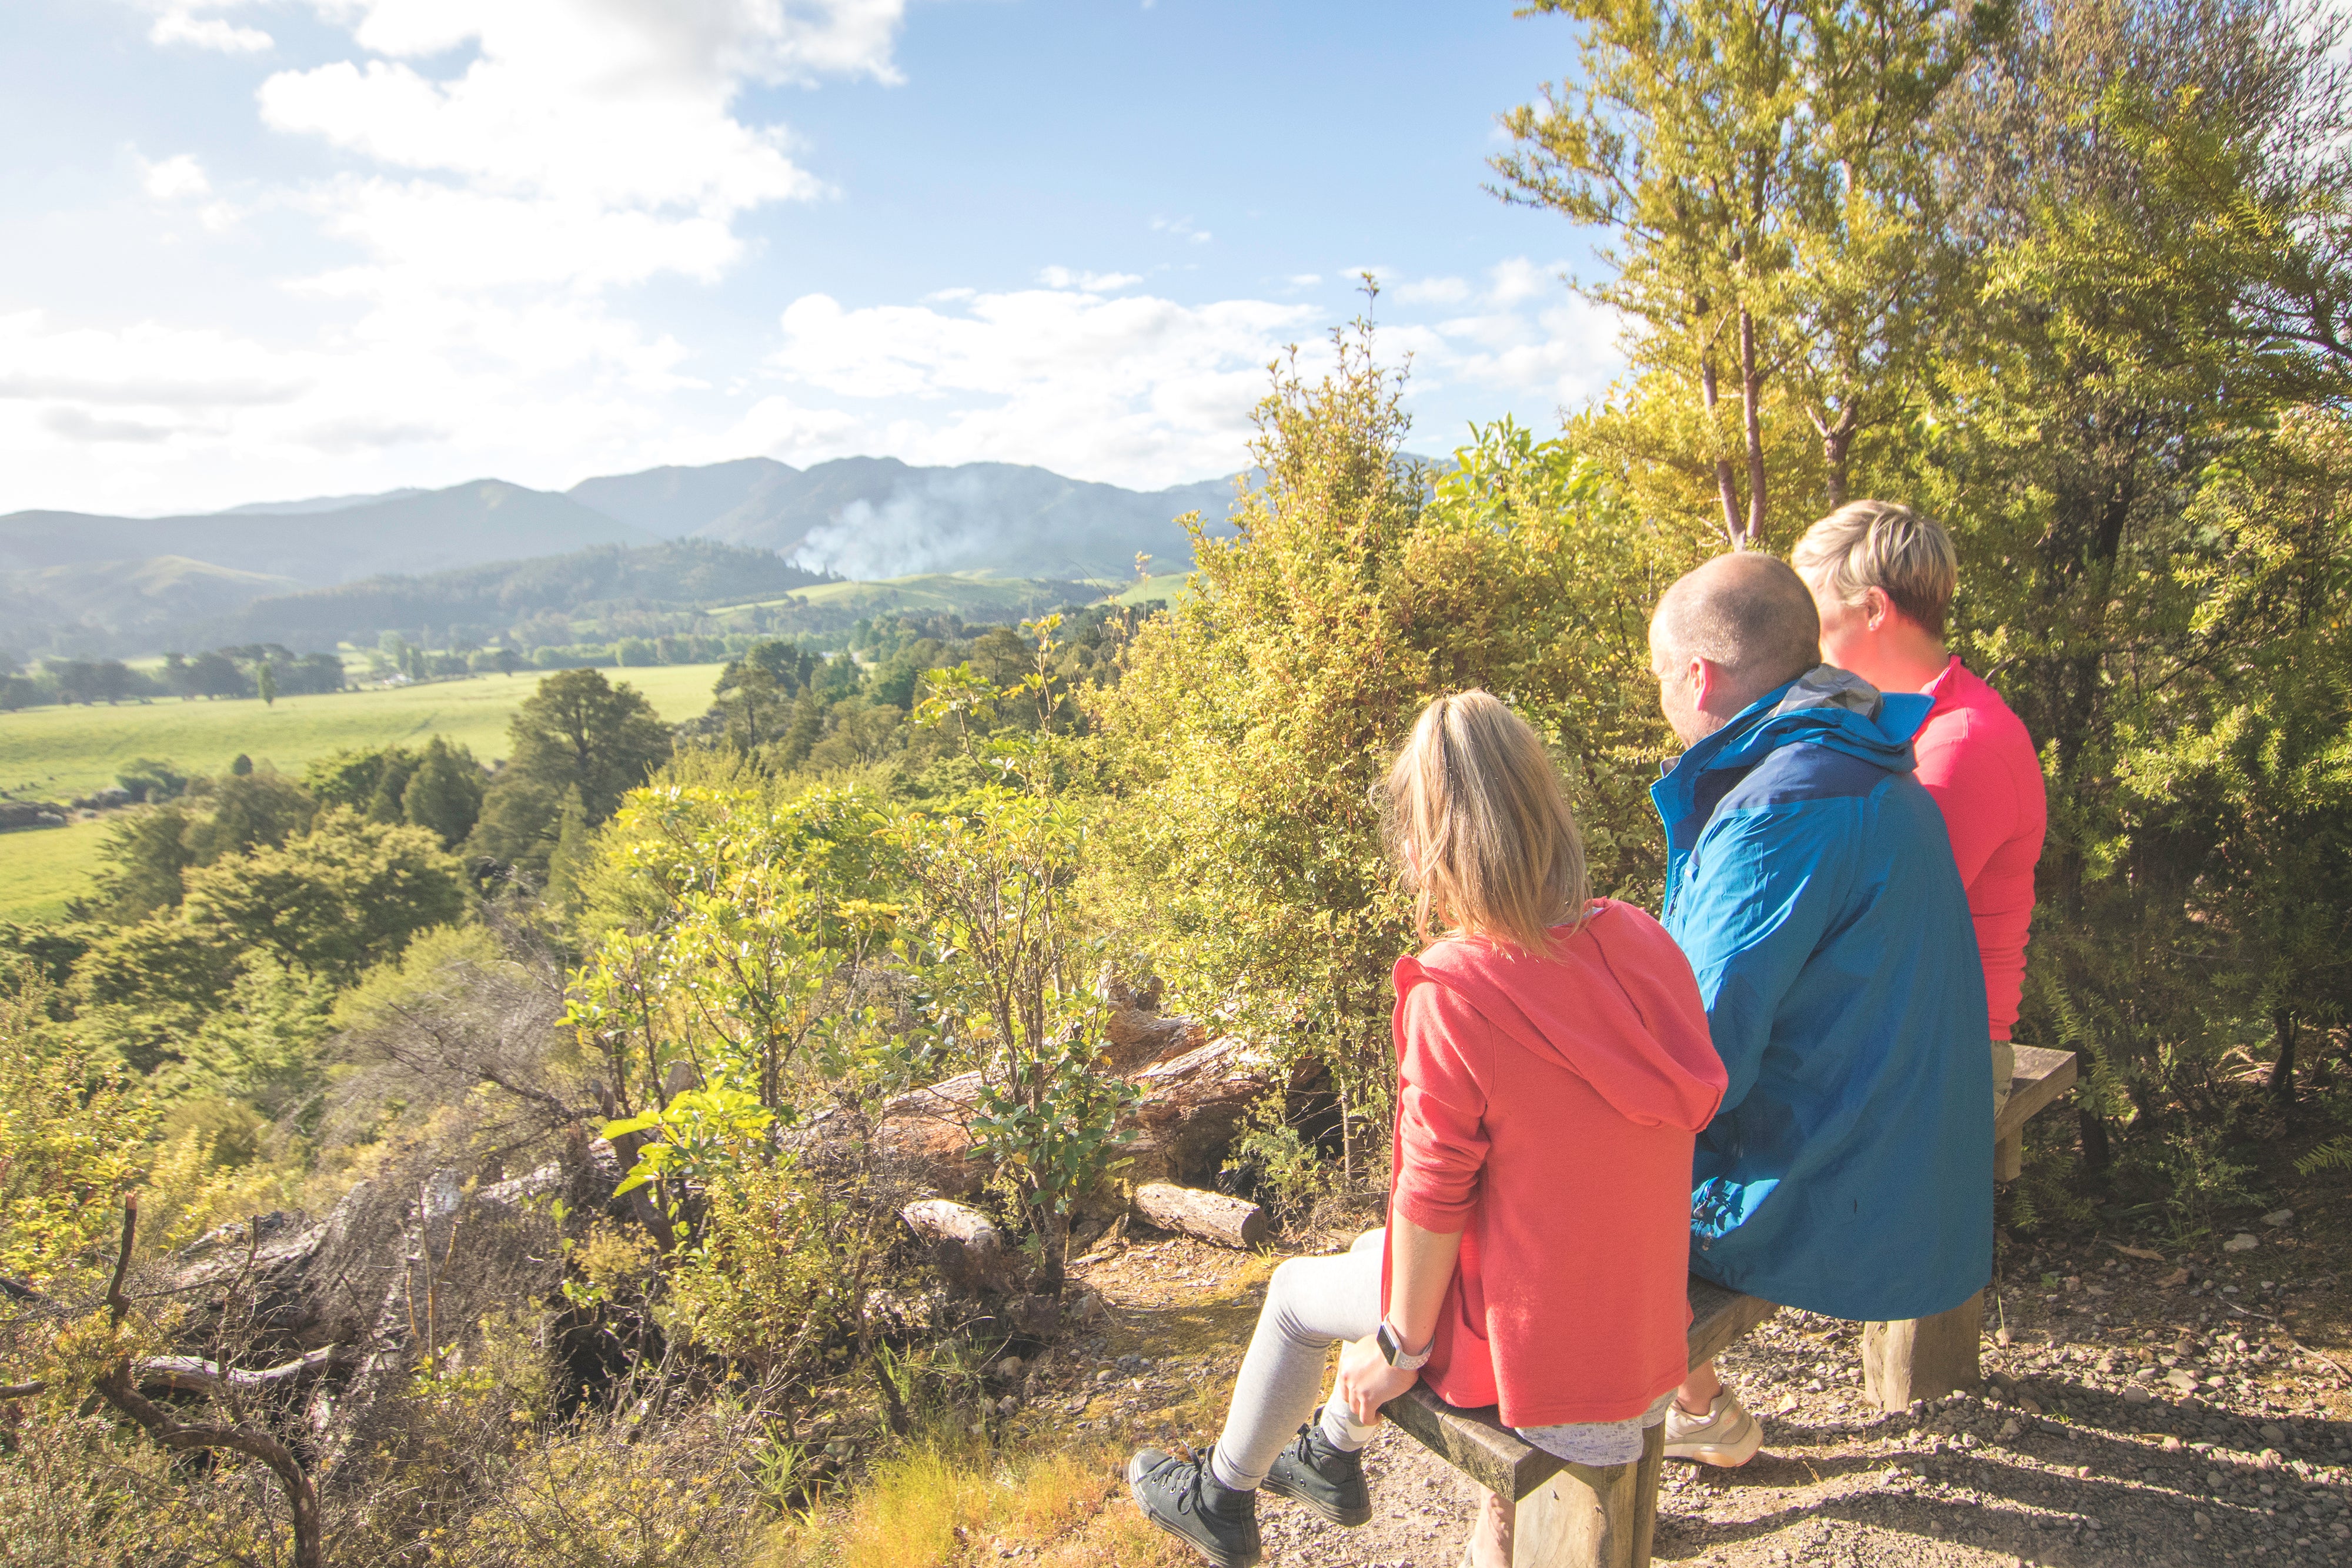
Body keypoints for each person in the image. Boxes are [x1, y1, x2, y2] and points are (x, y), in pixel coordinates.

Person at [1127, 690, 1726, 1568]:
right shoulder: (1640, 937)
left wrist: (1398, 1349)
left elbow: (1434, 1193)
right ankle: (1329, 1449)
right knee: (1379, 1248)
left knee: (1296, 1291)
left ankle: (1224, 1496)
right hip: (1639, 1314)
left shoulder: (1457, 989)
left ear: (1427, 848)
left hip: (1544, 1353)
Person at [1646, 552, 1992, 1468]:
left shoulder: (1778, 808)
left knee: (1545, 1188)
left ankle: (1559, 1481)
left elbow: (1696, 1066)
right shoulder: (1866, 752)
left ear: (1697, 676)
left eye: (1659, 677)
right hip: (1910, 1150)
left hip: (1840, 1187)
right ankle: (1695, 1405)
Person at [1792, 501, 2047, 1111]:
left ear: (1874, 609)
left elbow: (1876, 924)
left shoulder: (1959, 744)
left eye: (1817, 616)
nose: (1806, 641)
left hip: (1938, 1053)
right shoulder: (1903, 719)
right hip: (1897, 1032)